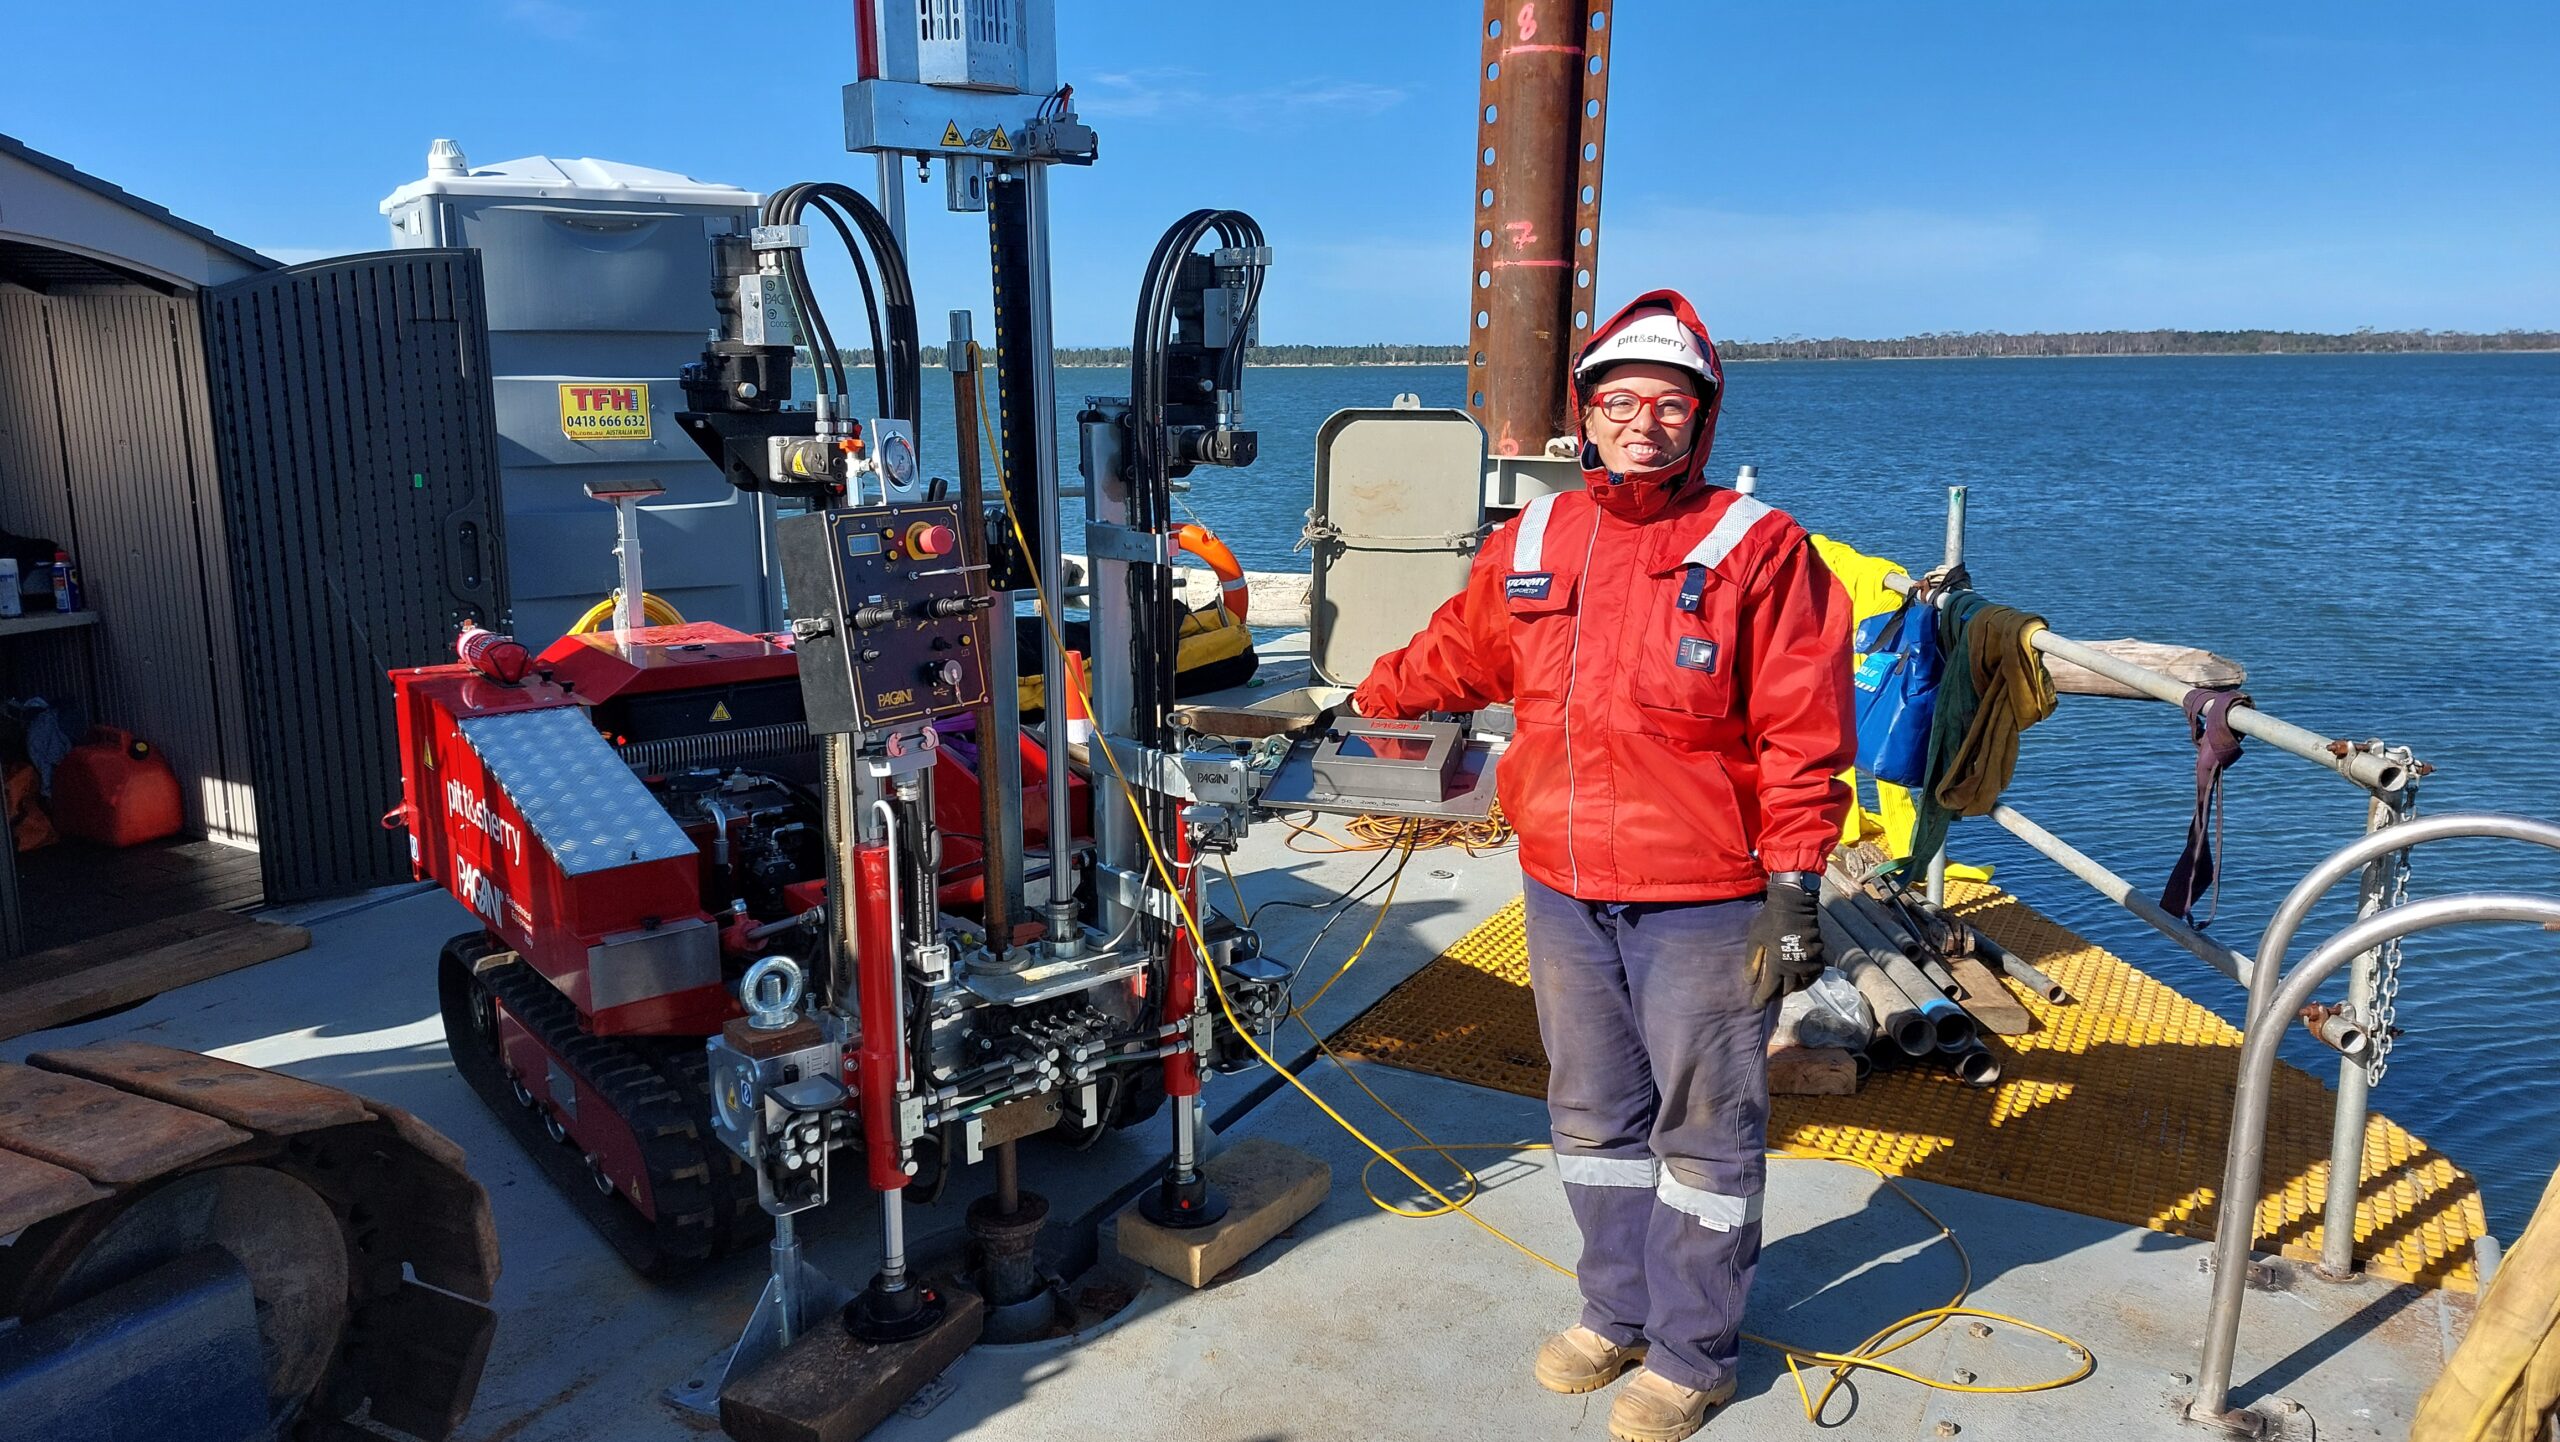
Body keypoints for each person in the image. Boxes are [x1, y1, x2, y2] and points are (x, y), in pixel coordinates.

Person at [1351, 292, 1855, 1441]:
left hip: (1703, 898)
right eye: (1622, 400)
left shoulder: (1756, 547)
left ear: (1701, 420)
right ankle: (1611, 1307)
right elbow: (1458, 652)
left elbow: (1801, 730)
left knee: (1706, 1131)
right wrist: (1362, 698)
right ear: (1586, 416)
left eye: (1669, 403)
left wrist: (1796, 884)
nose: (1643, 422)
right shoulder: (1531, 540)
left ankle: (1692, 1349)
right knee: (1588, 1111)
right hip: (1564, 884)